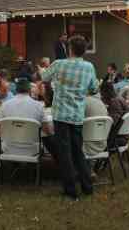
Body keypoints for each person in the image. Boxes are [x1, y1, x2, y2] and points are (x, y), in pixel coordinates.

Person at [41, 35, 98, 199]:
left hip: (60, 115)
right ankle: (87, 186)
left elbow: (44, 77)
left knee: (64, 153)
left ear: (70, 49)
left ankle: (70, 189)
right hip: (77, 114)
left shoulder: (59, 64)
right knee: (78, 151)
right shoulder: (89, 67)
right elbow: (94, 89)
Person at [0, 77, 55, 158]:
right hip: (32, 149)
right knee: (50, 137)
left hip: (8, 148)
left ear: (16, 90)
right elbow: (47, 131)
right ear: (29, 90)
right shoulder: (38, 106)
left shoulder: (4, 105)